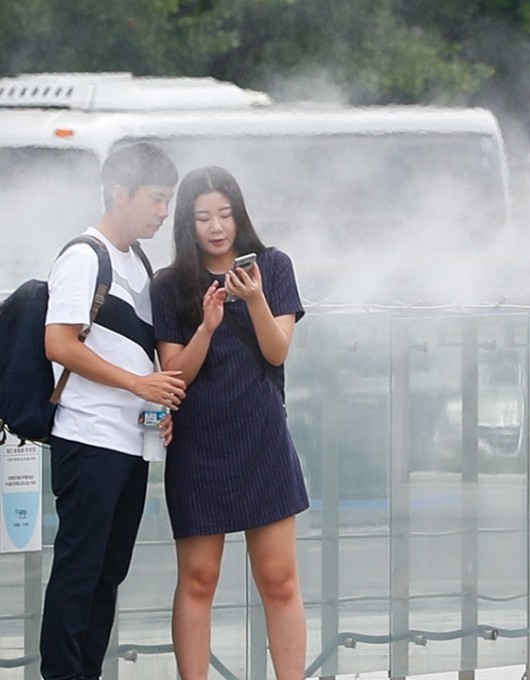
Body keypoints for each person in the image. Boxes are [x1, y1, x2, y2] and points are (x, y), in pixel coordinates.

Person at [150, 166, 308, 680]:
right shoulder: (170, 285)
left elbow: (277, 351)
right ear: (186, 224)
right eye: (202, 217)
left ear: (240, 214)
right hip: (199, 444)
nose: (217, 227)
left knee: (280, 579)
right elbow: (174, 375)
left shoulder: (273, 266)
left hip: (261, 438)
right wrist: (208, 325)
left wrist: (255, 298)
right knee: (198, 579)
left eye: (225, 214)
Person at [41, 142, 186, 680]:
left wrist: (154, 403)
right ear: (120, 193)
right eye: (156, 198)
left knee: (107, 573)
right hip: (89, 438)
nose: (163, 211)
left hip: (129, 442)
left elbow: (133, 351)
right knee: (80, 572)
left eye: (168, 199)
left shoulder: (138, 261)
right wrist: (138, 384)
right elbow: (59, 343)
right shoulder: (85, 255)